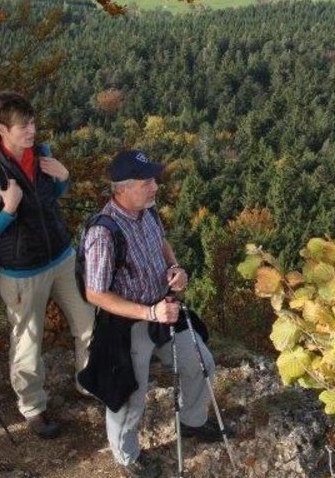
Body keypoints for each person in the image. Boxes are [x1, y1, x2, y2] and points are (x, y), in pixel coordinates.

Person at [78, 149, 222, 478]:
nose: (155, 186)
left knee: (201, 364)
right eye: (147, 182)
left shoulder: (148, 211)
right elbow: (95, 293)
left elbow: (161, 244)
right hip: (127, 324)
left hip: (165, 308)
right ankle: (127, 458)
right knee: (129, 396)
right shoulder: (103, 232)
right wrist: (150, 312)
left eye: (154, 179)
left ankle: (192, 421)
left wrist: (175, 268)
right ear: (122, 189)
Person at [0, 91, 95, 439]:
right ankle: (33, 408)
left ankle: (88, 383)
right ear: (2, 130)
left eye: (33, 123)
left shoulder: (42, 155)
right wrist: (8, 210)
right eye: (23, 126)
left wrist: (64, 177)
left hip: (61, 258)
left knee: (87, 322)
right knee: (28, 342)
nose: (31, 131)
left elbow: (50, 199)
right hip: (22, 272)